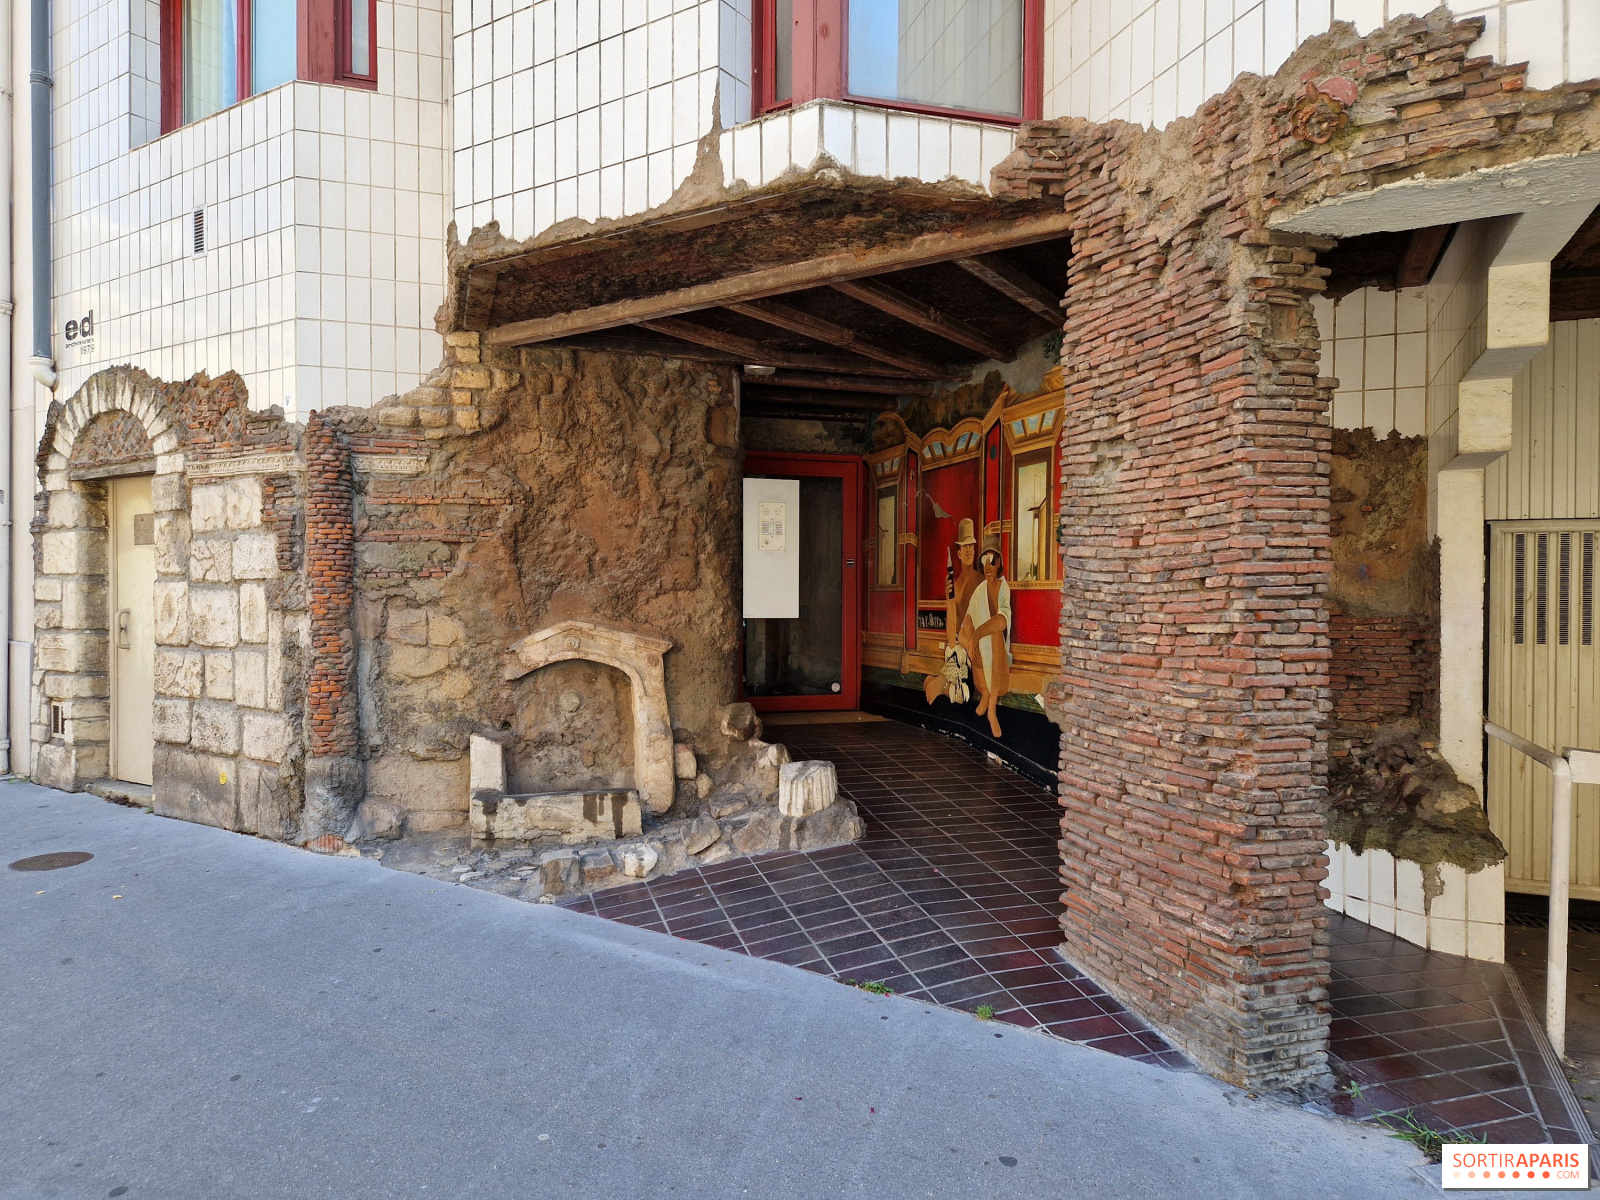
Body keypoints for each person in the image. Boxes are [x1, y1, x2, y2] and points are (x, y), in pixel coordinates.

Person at [924, 518, 981, 706]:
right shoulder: (955, 585)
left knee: (962, 694)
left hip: (973, 646)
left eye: (971, 546)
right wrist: (949, 601)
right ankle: (938, 683)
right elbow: (951, 631)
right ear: (958, 553)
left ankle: (937, 683)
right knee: (960, 689)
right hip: (958, 649)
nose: (968, 550)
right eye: (965, 546)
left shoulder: (980, 581)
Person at [963, 546, 1011, 737]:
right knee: (970, 631)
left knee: (995, 634)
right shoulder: (979, 591)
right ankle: (984, 690)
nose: (988, 567)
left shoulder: (1002, 587)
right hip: (980, 651)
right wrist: (971, 640)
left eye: (992, 561)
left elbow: (1002, 620)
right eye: (984, 562)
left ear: (998, 563)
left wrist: (977, 635)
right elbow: (967, 622)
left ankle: (992, 707)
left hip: (997, 650)